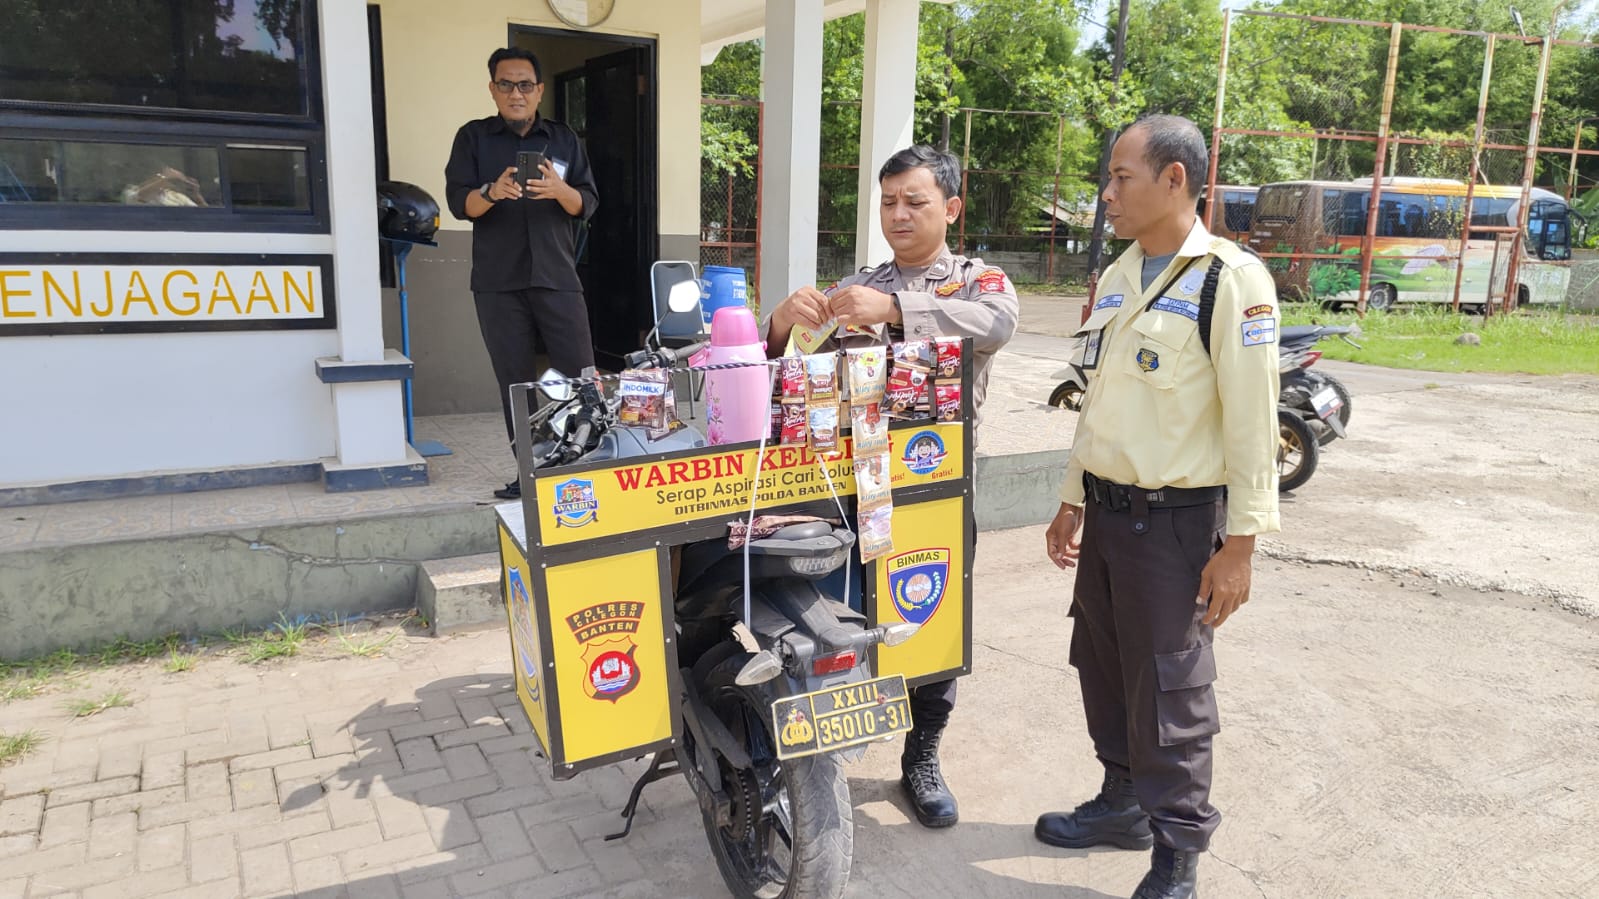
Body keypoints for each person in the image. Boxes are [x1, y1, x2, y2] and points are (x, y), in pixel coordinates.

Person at [1034, 115, 1280, 899]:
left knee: (1171, 688)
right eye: (1108, 179)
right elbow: (1098, 401)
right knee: (1103, 665)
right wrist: (1071, 497)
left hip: (1175, 525)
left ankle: (1176, 855)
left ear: (1174, 180)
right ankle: (1121, 802)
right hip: (1107, 515)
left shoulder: (1228, 280)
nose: (1106, 194)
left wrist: (1240, 544)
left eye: (1120, 177)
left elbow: (1253, 422)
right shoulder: (1119, 273)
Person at [763, 144, 1019, 828]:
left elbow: (998, 325)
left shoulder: (975, 280)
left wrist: (897, 308)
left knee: (929, 617)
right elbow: (796, 360)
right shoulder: (856, 284)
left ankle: (922, 755)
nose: (898, 214)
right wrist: (783, 322)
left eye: (914, 201)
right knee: (839, 612)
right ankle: (820, 754)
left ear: (951, 208)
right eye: (887, 202)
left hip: (933, 486)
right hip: (849, 486)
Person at [444, 47, 600, 500]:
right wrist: (491, 192)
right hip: (499, 283)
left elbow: (587, 203)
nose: (516, 93)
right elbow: (460, 204)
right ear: (493, 89)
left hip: (558, 277)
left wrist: (559, 189)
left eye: (525, 85)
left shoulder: (563, 138)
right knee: (515, 383)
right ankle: (530, 473)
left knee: (579, 376)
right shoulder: (473, 138)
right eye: (506, 84)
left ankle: (584, 464)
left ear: (539, 90)